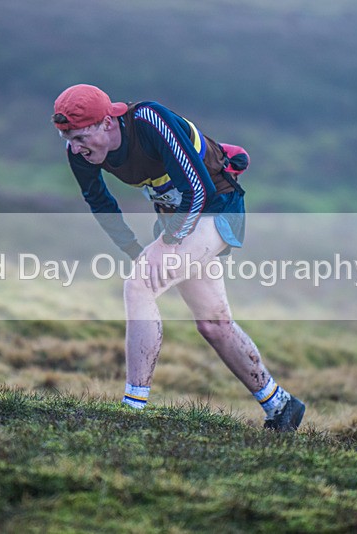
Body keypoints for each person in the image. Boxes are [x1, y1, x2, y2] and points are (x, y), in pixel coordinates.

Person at [52, 84, 305, 431]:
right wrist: (132, 248)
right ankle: (281, 405)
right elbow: (99, 201)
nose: (75, 148)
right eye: (67, 139)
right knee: (213, 323)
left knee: (139, 285)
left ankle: (132, 411)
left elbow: (199, 188)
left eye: (81, 137)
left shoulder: (150, 120)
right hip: (180, 218)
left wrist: (167, 242)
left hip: (216, 206)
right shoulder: (78, 151)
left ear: (107, 123)